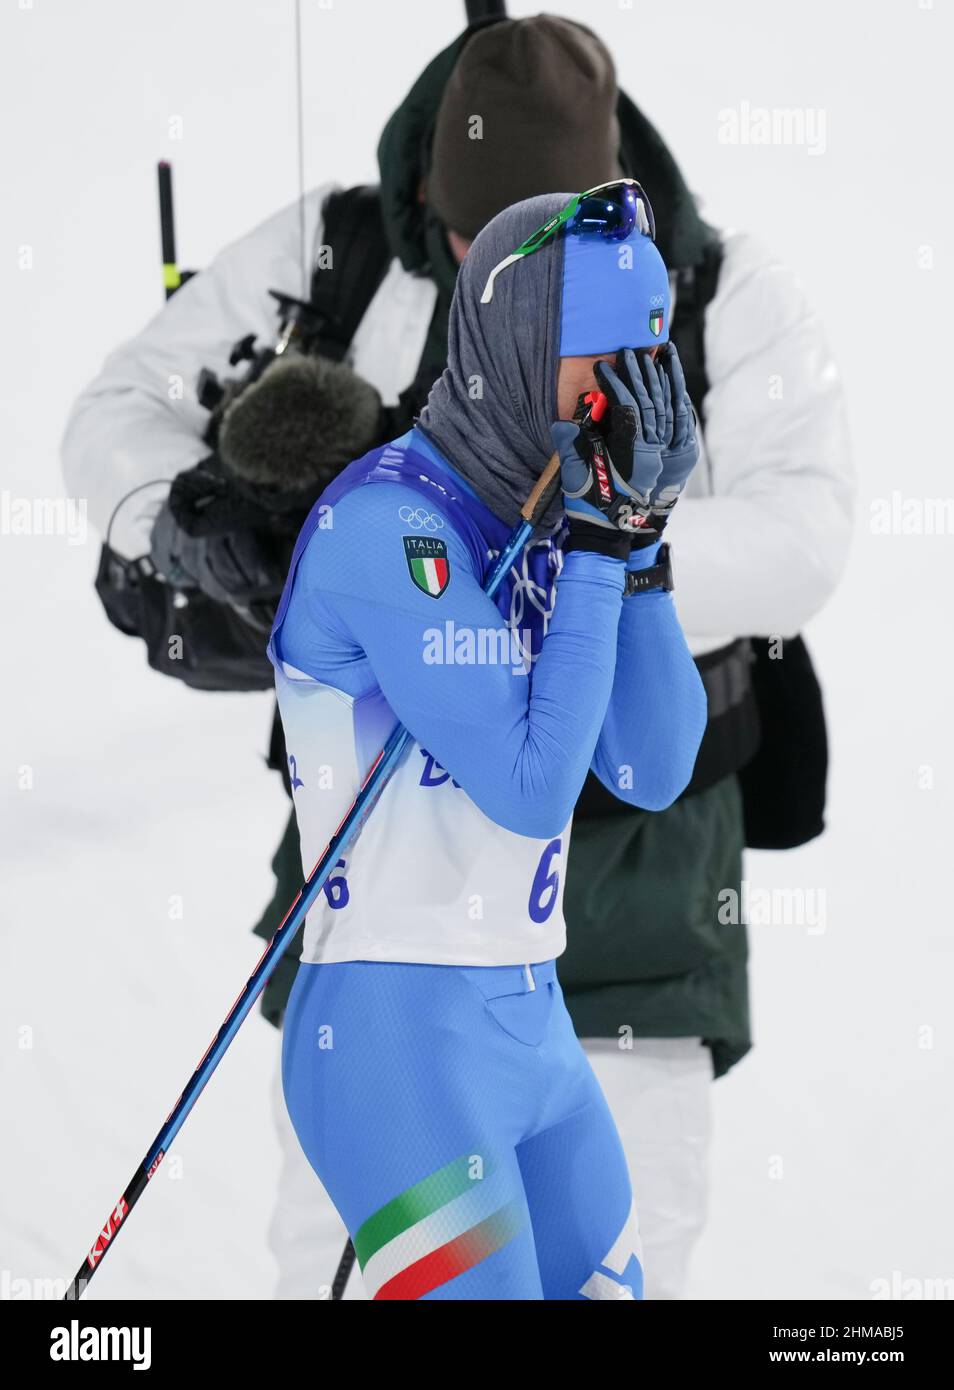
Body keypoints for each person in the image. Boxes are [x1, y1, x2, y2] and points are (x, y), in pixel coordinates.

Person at [62, 15, 852, 1299]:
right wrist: (200, 529)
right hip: (396, 1014)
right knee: (331, 1256)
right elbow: (119, 409)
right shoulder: (382, 417)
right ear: (439, 211)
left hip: (600, 945)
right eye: (469, 244)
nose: (633, 382)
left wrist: (635, 542)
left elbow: (667, 736)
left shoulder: (703, 286)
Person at [273, 184, 706, 1300]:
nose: (634, 395)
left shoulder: (557, 523)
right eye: (609, 359)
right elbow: (526, 784)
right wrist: (604, 550)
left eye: (654, 358)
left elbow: (650, 768)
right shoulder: (391, 527)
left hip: (529, 1015)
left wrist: (641, 549)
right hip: (393, 1037)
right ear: (519, 347)